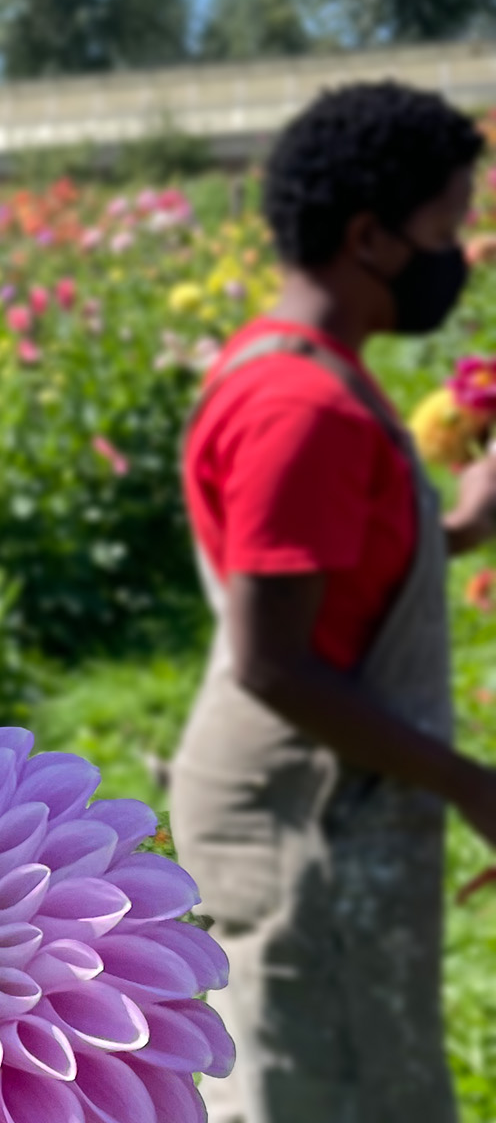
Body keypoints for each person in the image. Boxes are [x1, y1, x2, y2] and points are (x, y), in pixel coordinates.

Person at [173, 81, 496, 1123]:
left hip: (325, 792)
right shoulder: (298, 405)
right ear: (368, 236)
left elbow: (316, 577)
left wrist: (453, 530)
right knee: (299, 1074)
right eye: (449, 225)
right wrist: (467, 784)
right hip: (295, 812)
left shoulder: (305, 370)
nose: (461, 252)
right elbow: (273, 660)